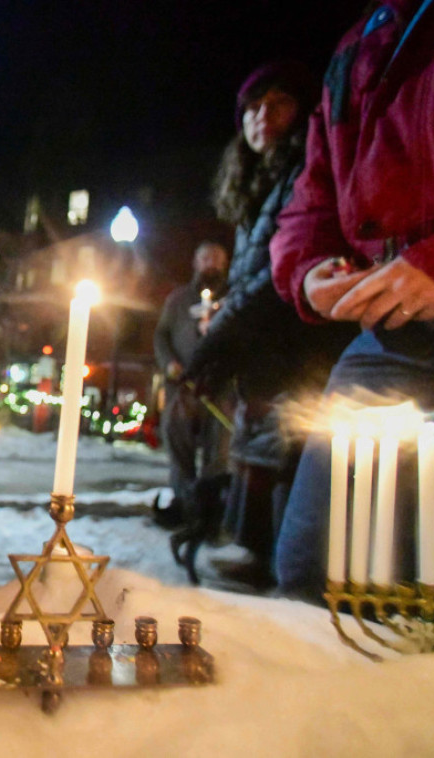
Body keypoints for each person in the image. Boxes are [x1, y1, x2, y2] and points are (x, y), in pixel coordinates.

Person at [271, 0, 434, 599]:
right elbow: (313, 196)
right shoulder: (361, 43)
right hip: (397, 325)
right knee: (319, 565)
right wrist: (310, 271)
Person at [183, 62, 357, 588]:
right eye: (253, 108)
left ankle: (278, 562)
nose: (263, 117)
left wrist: (220, 335)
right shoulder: (259, 186)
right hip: (267, 344)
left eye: (277, 103)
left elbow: (275, 274)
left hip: (301, 339)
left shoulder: (304, 170)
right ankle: (259, 551)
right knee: (263, 439)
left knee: (288, 444)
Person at [153, 241, 231, 525]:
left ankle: (210, 510)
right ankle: (184, 503)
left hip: (219, 387)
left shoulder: (234, 298)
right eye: (205, 257)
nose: (210, 263)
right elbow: (161, 335)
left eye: (216, 258)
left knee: (219, 448)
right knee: (178, 439)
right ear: (195, 263)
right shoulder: (178, 300)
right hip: (182, 386)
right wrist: (170, 363)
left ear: (225, 264)